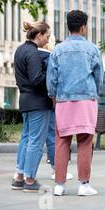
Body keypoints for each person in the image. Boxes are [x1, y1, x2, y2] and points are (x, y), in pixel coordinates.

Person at [47, 10, 103, 196]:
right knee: (85, 142)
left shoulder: (57, 50)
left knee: (62, 141)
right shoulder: (93, 49)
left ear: (68, 26)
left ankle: (59, 185)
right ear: (83, 27)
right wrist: (95, 93)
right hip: (86, 99)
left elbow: (51, 78)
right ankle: (84, 185)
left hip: (63, 99)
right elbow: (99, 77)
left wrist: (53, 96)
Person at [12, 21, 54, 192]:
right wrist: (50, 73)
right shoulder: (34, 54)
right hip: (38, 102)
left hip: (25, 100)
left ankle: (19, 177)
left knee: (26, 139)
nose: (48, 40)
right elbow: (37, 79)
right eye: (47, 36)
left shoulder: (20, 50)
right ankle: (30, 180)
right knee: (35, 142)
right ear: (39, 35)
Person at [38, 35, 73, 180]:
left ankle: (22, 172)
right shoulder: (48, 57)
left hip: (32, 102)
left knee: (30, 137)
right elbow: (53, 79)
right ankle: (56, 170)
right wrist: (54, 98)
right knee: (53, 137)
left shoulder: (30, 54)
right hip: (49, 102)